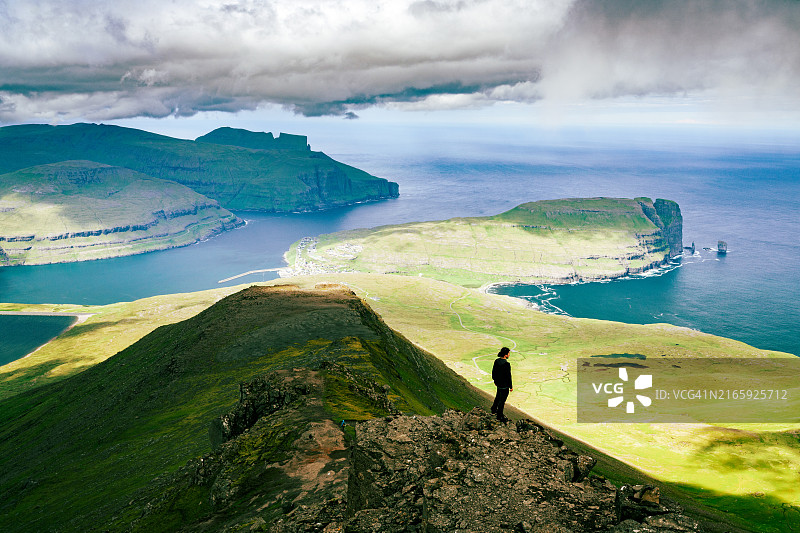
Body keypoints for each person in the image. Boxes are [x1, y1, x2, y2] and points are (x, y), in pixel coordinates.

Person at [491, 347, 512, 422]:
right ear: (506, 354)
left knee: (498, 397)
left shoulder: (496, 361)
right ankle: (499, 416)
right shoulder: (506, 364)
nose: (509, 354)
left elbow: (494, 372)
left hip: (499, 384)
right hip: (505, 385)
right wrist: (510, 386)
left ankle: (493, 409)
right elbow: (508, 376)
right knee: (502, 400)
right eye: (509, 353)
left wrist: (495, 381)